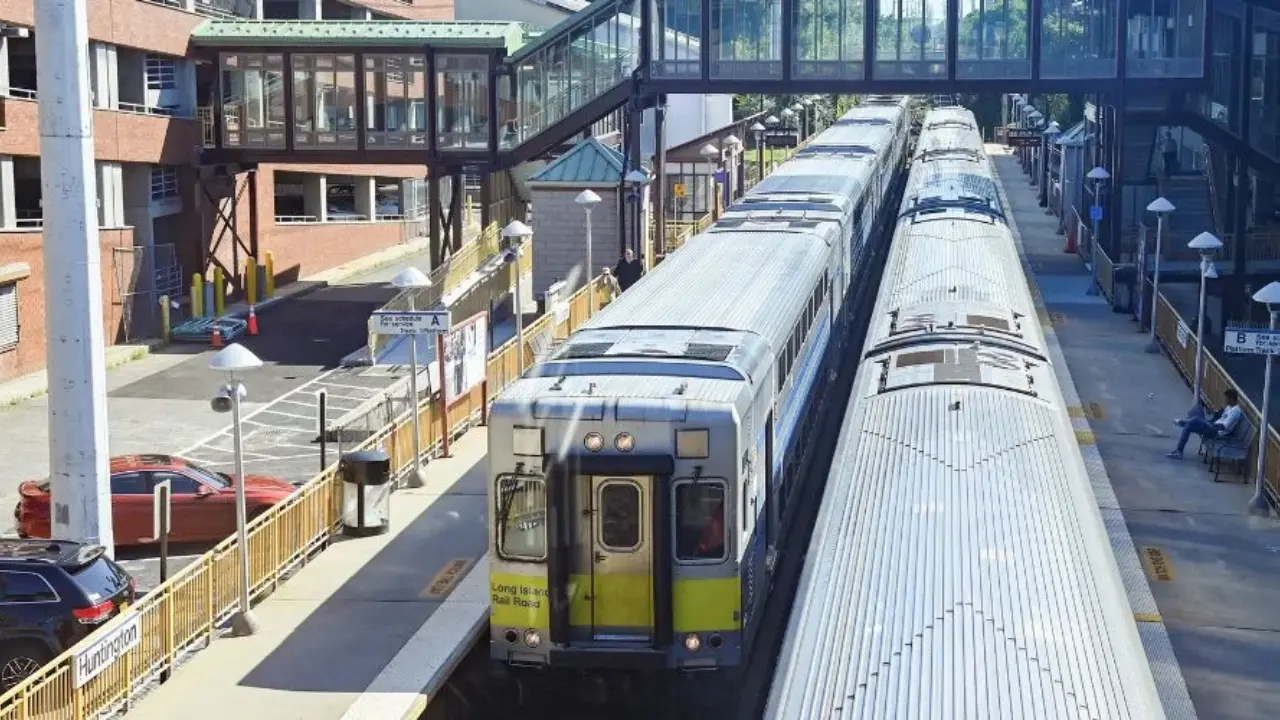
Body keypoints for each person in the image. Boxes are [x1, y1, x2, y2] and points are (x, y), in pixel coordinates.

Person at [1165, 388, 1244, 459]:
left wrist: (1209, 424)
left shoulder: (1235, 412)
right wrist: (1211, 419)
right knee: (1197, 409)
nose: (1225, 400)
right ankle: (1179, 450)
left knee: (1194, 420)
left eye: (1226, 399)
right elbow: (1220, 417)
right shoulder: (1229, 407)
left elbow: (1224, 426)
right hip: (1212, 426)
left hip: (1216, 432)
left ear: (1231, 399)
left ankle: (1182, 422)